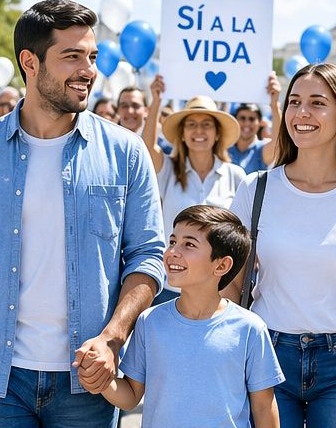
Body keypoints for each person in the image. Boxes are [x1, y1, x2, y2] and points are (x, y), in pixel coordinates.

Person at [0, 0, 165, 428]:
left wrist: (112, 338)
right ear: (30, 62)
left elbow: (147, 257)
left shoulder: (126, 153)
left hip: (88, 380)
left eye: (91, 56)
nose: (88, 70)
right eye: (72, 56)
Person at [229, 63, 336, 428]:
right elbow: (231, 286)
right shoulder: (254, 188)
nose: (301, 113)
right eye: (294, 102)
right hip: (267, 354)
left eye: (317, 103)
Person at [87, 205, 283, 427]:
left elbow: (263, 407)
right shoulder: (150, 322)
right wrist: (100, 378)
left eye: (189, 244)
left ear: (221, 265)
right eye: (172, 242)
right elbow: (131, 396)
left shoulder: (250, 328)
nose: (172, 252)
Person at [142, 76, 246, 304]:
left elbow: (242, 236)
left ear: (217, 133)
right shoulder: (168, 170)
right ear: (182, 133)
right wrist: (156, 101)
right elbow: (146, 148)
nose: (199, 130)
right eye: (191, 124)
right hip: (171, 289)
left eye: (206, 124)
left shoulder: (235, 175)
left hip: (217, 291)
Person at [227, 74, 283, 174]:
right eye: (242, 118)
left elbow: (279, 141)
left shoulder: (261, 150)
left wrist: (274, 105)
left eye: (252, 119)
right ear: (236, 121)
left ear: (260, 123)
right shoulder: (225, 149)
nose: (247, 123)